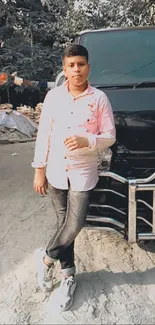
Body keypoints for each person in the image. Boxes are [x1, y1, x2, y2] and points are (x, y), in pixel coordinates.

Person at [32, 44, 116, 311]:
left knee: (75, 224)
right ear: (64, 69)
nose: (76, 69)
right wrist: (39, 169)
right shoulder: (53, 97)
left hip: (82, 172)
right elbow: (43, 133)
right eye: (71, 65)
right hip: (56, 170)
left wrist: (87, 140)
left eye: (81, 64)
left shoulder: (100, 98)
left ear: (88, 67)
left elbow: (110, 136)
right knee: (62, 223)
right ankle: (68, 275)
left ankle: (46, 259)